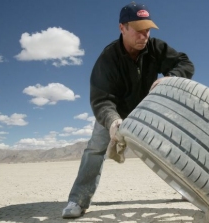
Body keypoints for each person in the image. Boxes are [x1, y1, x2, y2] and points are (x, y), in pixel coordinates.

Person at [62, 2, 194, 218]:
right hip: (113, 111)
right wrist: (113, 122)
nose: (144, 35)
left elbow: (185, 63)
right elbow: (101, 99)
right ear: (122, 27)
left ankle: (189, 191)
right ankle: (77, 200)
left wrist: (171, 78)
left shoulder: (155, 48)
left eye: (147, 29)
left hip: (147, 110)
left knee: (172, 145)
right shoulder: (108, 59)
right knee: (95, 148)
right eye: (138, 29)